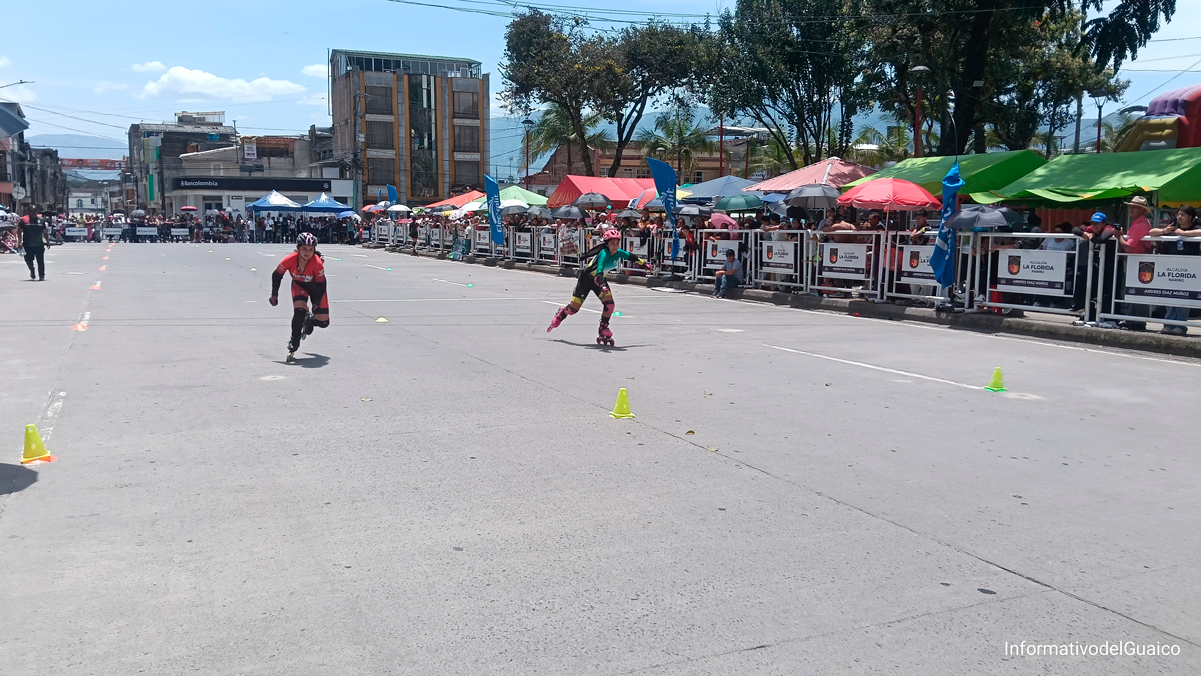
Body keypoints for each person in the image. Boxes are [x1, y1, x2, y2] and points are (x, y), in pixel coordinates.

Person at [547, 228, 653, 345]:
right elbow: (599, 273)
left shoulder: (619, 252)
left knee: (610, 305)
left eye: (617, 243)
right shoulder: (604, 254)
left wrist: (646, 265)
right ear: (607, 244)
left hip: (599, 280)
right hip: (587, 279)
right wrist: (602, 286)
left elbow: (632, 257)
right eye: (612, 243)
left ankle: (603, 328)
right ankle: (562, 313)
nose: (615, 246)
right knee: (573, 310)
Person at [270, 233, 330, 358]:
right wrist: (274, 295)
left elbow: (321, 285)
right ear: (298, 248)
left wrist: (316, 303)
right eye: (304, 249)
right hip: (299, 285)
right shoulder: (290, 259)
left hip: (316, 287)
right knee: (299, 311)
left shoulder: (317, 263)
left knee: (324, 322)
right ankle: (294, 340)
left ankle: (309, 321)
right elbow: (277, 275)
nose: (307, 253)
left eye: (310, 249)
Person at [17, 215, 48, 281]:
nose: (33, 212)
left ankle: (41, 275)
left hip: (39, 244)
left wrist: (47, 241)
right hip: (27, 244)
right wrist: (19, 242)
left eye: (35, 211)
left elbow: (45, 231)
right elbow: (19, 231)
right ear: (29, 212)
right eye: (32, 211)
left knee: (40, 261)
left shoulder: (41, 220)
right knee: (28, 260)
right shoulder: (24, 220)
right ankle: (32, 269)